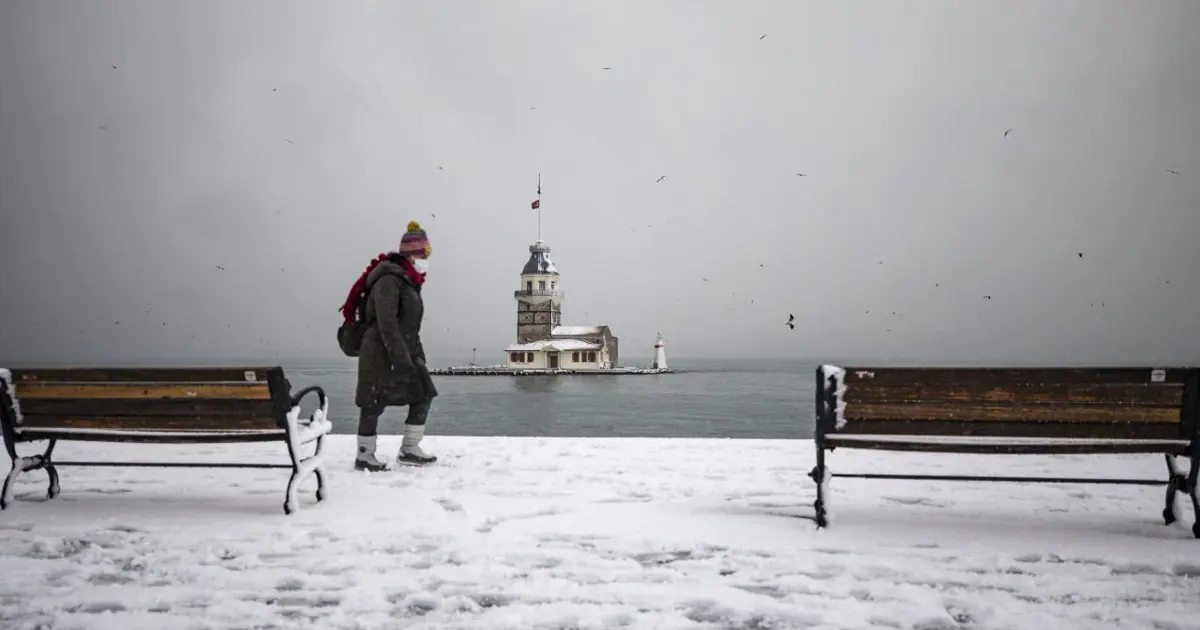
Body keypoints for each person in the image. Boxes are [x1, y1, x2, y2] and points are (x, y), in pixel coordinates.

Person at [353, 221, 439, 470]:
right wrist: (401, 359)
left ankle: (410, 448)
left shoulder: (410, 281)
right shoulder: (389, 280)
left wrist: (416, 354)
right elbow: (386, 322)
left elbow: (410, 324)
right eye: (424, 254)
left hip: (405, 350)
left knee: (423, 393)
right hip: (379, 352)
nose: (426, 259)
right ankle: (364, 455)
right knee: (372, 402)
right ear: (413, 254)